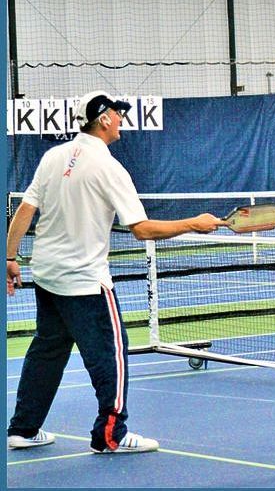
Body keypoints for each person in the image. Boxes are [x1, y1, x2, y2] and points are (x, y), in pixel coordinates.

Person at [6, 90, 227, 453]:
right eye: (118, 114)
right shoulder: (109, 167)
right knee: (111, 355)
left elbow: (25, 211)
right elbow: (141, 229)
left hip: (47, 277)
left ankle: (24, 429)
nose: (122, 119)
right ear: (104, 118)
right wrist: (194, 223)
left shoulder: (52, 157)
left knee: (47, 351)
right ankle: (112, 434)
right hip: (86, 283)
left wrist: (9, 258)